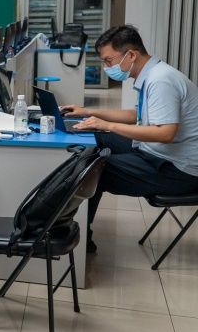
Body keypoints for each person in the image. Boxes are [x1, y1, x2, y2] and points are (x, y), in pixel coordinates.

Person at [61, 26, 198, 252]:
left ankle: (80, 239)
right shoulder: (152, 74)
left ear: (131, 55)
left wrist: (108, 125)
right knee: (96, 138)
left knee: (93, 169)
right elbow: (137, 115)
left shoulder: (161, 80)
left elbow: (165, 133)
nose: (107, 67)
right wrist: (88, 113)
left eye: (109, 61)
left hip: (178, 169)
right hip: (159, 152)